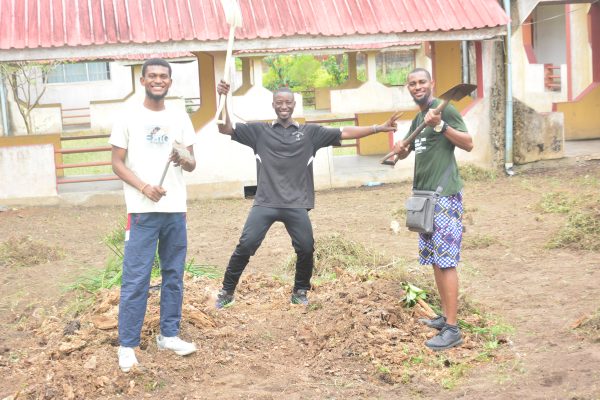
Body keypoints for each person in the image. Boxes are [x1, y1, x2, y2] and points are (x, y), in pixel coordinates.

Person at [214, 80, 400, 308]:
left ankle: (300, 291)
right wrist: (221, 97)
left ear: (294, 105)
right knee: (246, 245)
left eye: (288, 102)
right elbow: (224, 127)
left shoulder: (310, 133)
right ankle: (227, 291)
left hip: (296, 204)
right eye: (279, 102)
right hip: (265, 202)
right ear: (273, 105)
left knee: (305, 247)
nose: (284, 106)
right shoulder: (258, 132)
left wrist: (377, 128)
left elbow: (345, 132)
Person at [109, 58, 198, 372]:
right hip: (143, 211)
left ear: (170, 82)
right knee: (136, 279)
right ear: (143, 80)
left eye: (164, 76)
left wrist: (182, 156)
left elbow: (192, 163)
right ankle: (127, 345)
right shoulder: (128, 116)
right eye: (153, 76)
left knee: (173, 275)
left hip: (175, 209)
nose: (158, 80)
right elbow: (117, 163)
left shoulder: (179, 116)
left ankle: (169, 335)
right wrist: (144, 187)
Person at [391, 68, 473, 351]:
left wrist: (440, 126)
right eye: (412, 83)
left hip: (444, 196)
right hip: (424, 198)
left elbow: (468, 143)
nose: (417, 87)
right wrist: (401, 149)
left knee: (447, 260)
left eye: (422, 82)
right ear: (408, 87)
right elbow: (409, 149)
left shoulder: (444, 110)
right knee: (436, 260)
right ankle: (445, 318)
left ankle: (452, 329)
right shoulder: (418, 118)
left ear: (432, 83)